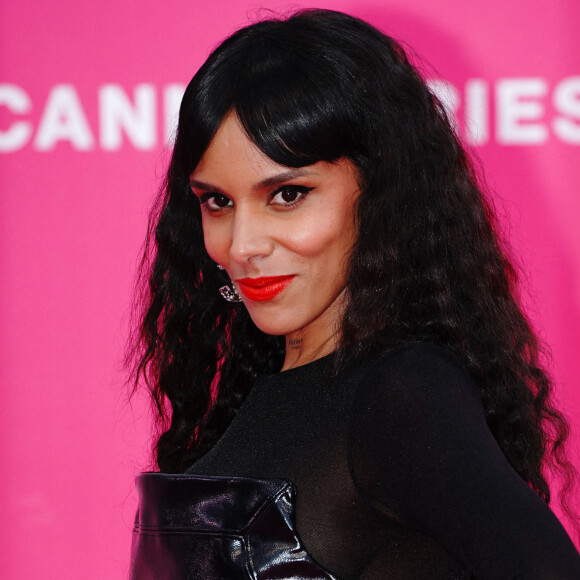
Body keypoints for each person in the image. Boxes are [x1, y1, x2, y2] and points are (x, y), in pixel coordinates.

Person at [128, 8, 580, 579]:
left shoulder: (399, 394)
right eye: (217, 201)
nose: (242, 245)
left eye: (288, 195)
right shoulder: (255, 397)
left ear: (381, 192)